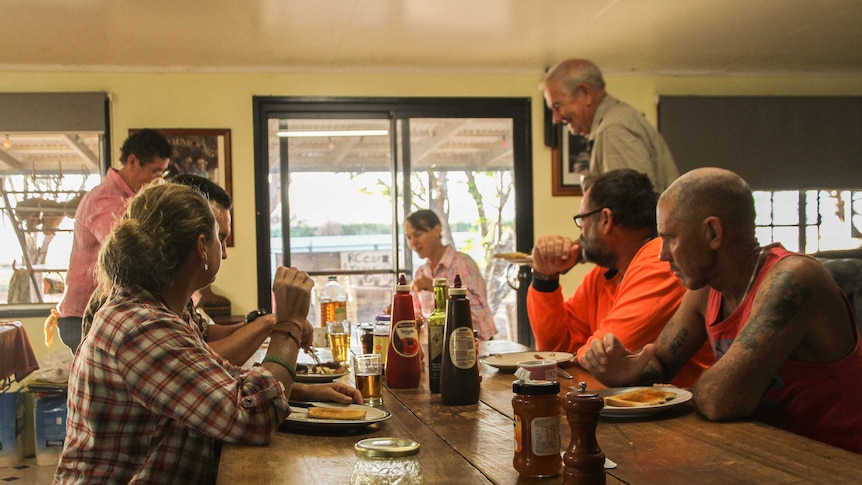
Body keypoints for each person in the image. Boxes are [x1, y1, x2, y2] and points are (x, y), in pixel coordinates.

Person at [54, 183, 362, 484]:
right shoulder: (142, 327)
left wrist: (304, 393)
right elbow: (255, 419)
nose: (224, 254)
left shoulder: (160, 312)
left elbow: (223, 379)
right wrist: (288, 325)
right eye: (219, 238)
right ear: (202, 246)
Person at [580, 167, 862, 454]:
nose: (663, 254)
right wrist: (626, 371)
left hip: (839, 462)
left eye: (670, 238)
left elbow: (720, 398)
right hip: (768, 450)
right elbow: (661, 363)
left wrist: (682, 389)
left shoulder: (794, 279)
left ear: (713, 232)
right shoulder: (706, 290)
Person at [528, 169, 713, 388]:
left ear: (606, 219)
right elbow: (555, 351)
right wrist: (545, 278)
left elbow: (604, 362)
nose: (580, 233)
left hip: (679, 414)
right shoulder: (605, 274)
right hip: (630, 406)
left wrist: (574, 357)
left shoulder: (660, 261)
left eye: (582, 221)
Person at [55, 129, 172, 353]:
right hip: (82, 316)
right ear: (133, 161)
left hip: (105, 311)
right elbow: (127, 250)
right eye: (154, 170)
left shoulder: (132, 199)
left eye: (162, 173)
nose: (158, 179)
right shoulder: (105, 197)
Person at [166, 174, 276, 366]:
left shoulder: (174, 287)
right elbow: (200, 363)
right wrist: (272, 324)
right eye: (220, 238)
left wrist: (267, 322)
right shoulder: (149, 310)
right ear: (199, 241)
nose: (224, 253)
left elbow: (204, 334)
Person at [543, 58, 679, 192]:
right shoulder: (616, 121)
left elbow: (630, 208)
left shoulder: (612, 130)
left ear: (585, 93)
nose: (556, 119)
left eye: (558, 106)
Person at [404, 209, 496, 340]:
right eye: (408, 237)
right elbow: (419, 316)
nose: (412, 242)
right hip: (439, 347)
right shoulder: (421, 272)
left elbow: (478, 310)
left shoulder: (463, 263)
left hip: (476, 345)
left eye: (417, 235)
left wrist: (435, 287)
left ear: (436, 230)